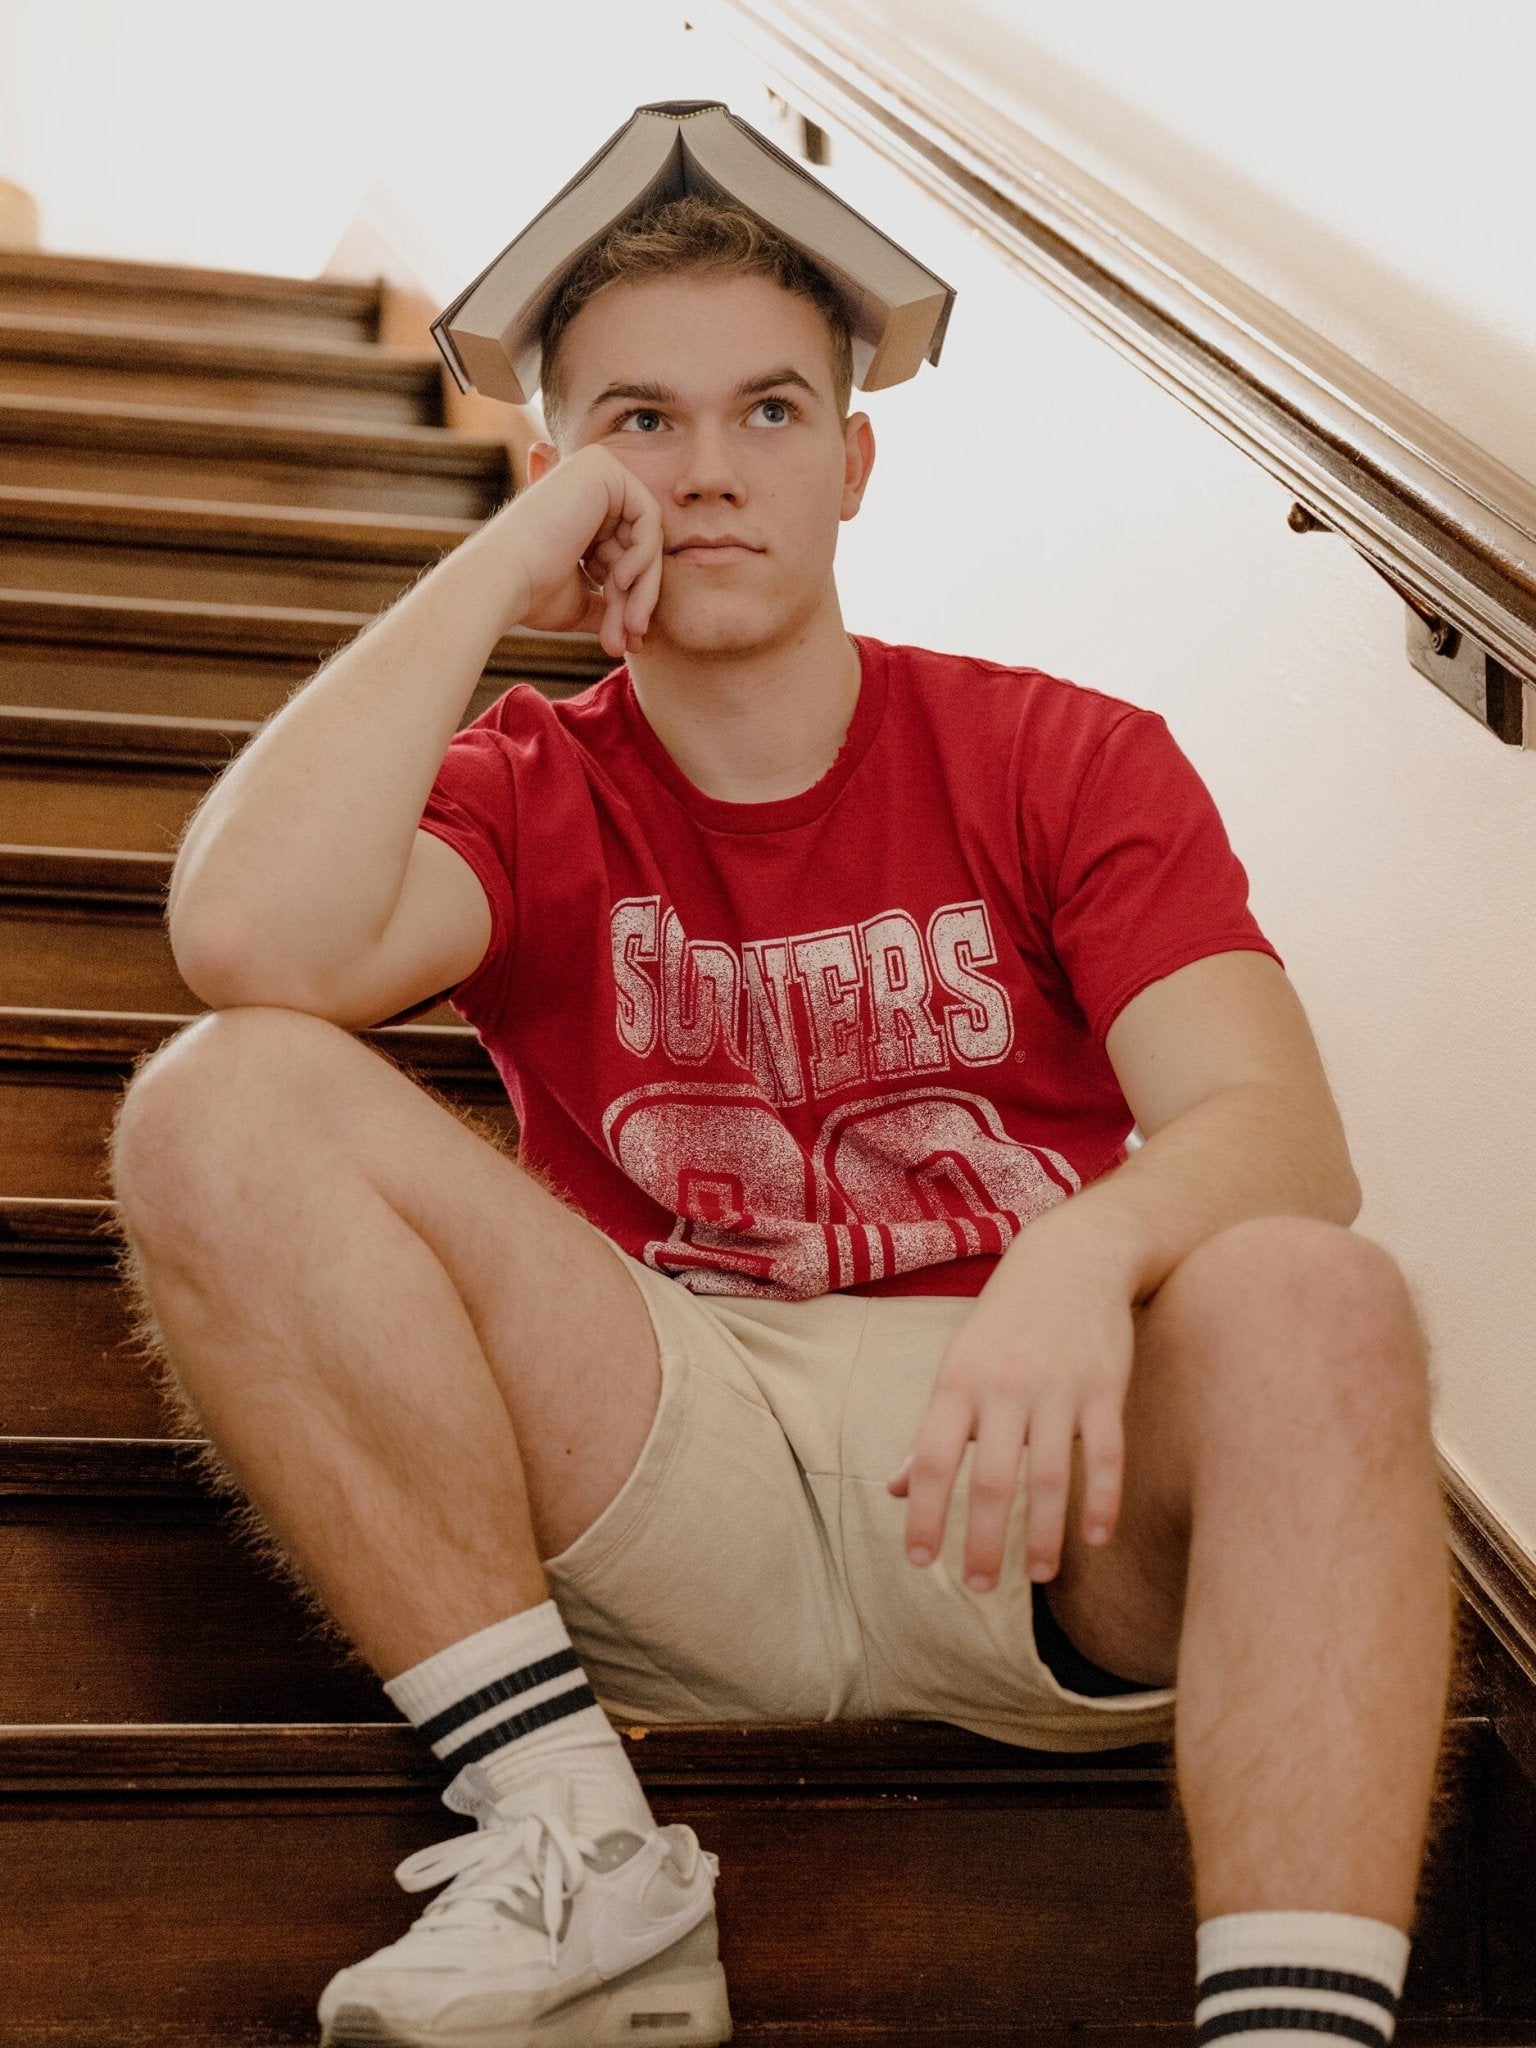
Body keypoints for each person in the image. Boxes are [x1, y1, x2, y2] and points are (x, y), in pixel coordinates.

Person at [111, 186, 1452, 2048]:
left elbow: (1283, 1137)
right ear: (565, 478)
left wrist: (1084, 1257)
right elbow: (248, 939)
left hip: (1019, 1476)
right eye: (640, 423)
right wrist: (500, 571)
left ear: (853, 464)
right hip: (674, 1459)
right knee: (223, 1094)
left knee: (1318, 1294)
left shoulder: (1062, 755)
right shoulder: (531, 785)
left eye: (768, 409)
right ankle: (576, 1845)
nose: (711, 471)